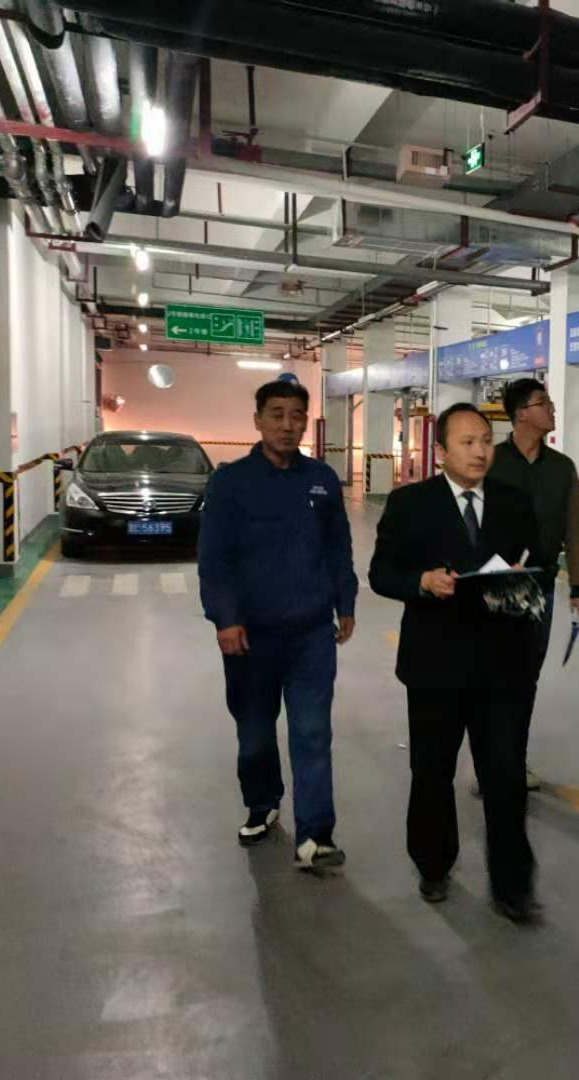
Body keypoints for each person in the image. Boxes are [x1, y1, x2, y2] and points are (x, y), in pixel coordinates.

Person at [368, 403, 543, 923]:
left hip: (501, 666)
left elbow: (538, 564)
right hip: (435, 665)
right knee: (432, 771)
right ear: (440, 451)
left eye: (486, 440)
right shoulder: (410, 503)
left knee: (505, 775)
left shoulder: (514, 502)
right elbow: (381, 573)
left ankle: (513, 885)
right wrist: (421, 582)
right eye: (467, 443)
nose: (480, 451)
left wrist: (523, 576)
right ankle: (433, 864)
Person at [198, 380, 358, 870]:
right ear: (258, 421)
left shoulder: (322, 479)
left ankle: (316, 836)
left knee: (312, 732)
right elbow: (214, 559)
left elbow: (338, 546)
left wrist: (345, 601)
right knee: (255, 735)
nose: (288, 425)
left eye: (297, 416)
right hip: (251, 636)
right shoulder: (230, 483)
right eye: (277, 415)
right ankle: (263, 802)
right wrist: (226, 619)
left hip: (311, 632)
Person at [487, 377, 579, 791]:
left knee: (526, 675)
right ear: (521, 414)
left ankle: (514, 761)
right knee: (494, 675)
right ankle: (491, 761)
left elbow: (575, 529)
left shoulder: (561, 468)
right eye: (543, 403)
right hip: (493, 584)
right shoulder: (492, 461)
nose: (552, 409)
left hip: (540, 585)